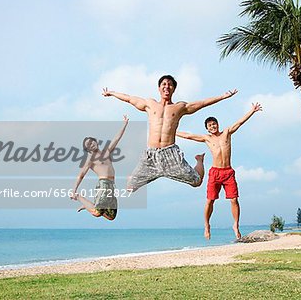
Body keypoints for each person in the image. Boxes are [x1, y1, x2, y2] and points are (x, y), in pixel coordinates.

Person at [102, 75, 237, 191]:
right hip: (151, 155)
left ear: (173, 89)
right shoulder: (150, 104)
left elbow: (202, 103)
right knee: (129, 187)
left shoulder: (180, 107)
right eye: (164, 84)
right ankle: (137, 176)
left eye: (170, 84)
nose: (167, 86)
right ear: (159, 88)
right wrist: (112, 93)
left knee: (196, 181)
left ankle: (199, 161)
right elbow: (129, 98)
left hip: (170, 154)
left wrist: (222, 97)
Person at [176, 102, 262, 239]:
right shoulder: (207, 138)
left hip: (228, 172)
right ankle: (207, 225)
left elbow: (239, 122)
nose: (213, 126)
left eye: (214, 124)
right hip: (215, 173)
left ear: (218, 124)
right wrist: (172, 131)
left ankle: (235, 225)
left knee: (234, 200)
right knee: (210, 200)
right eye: (210, 125)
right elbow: (188, 136)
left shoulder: (226, 133)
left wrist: (252, 111)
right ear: (207, 129)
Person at [70, 115, 129, 221]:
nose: (91, 144)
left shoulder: (106, 152)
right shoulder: (90, 159)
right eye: (88, 145)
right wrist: (74, 190)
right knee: (97, 213)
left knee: (111, 216)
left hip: (112, 185)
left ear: (96, 141)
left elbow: (116, 139)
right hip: (103, 184)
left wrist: (124, 124)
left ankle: (90, 206)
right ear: (87, 149)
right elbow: (81, 174)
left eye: (92, 141)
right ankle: (79, 197)